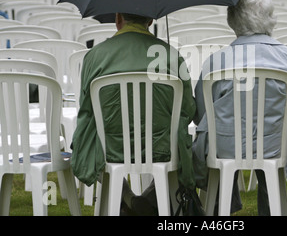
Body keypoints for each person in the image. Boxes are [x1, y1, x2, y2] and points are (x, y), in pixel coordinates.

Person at [192, 0, 287, 215]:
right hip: (274, 146)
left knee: (218, 139)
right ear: (270, 18)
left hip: (224, 147)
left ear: (232, 20)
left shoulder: (215, 61)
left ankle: (221, 210)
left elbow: (201, 115)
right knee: (270, 144)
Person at [71, 13, 196, 215]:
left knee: (88, 138)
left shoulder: (94, 56)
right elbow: (188, 109)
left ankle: (127, 199)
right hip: (162, 147)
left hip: (109, 148)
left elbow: (87, 108)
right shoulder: (170, 55)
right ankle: (145, 201)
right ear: (150, 20)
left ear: (118, 18)